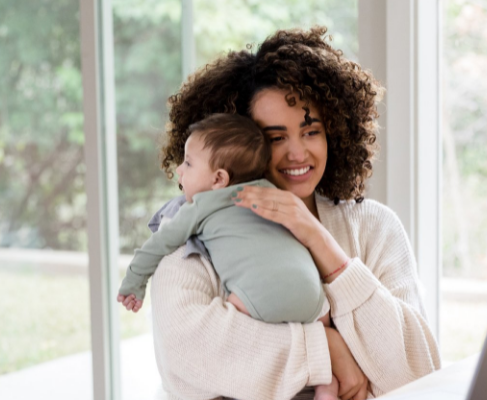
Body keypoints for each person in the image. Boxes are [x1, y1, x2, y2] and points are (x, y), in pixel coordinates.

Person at [149, 26, 441, 400]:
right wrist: (327, 350)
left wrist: (319, 240)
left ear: (334, 131)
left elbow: (418, 375)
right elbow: (186, 353)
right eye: (275, 138)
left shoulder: (374, 227)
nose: (298, 153)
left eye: (310, 131)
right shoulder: (192, 225)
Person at [117, 113, 340, 399]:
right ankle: (328, 385)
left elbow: (158, 245)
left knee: (236, 331)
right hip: (313, 298)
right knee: (330, 346)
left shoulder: (200, 206)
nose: (180, 171)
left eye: (188, 163)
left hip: (258, 297)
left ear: (219, 178)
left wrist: (133, 282)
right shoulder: (274, 193)